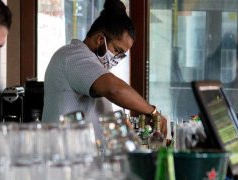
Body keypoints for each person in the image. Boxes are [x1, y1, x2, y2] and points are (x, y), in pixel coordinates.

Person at [42, 0, 167, 139]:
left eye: (121, 55)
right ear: (100, 39)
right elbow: (115, 89)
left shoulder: (95, 67)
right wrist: (152, 112)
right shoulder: (73, 56)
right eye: (117, 50)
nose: (117, 59)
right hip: (65, 155)